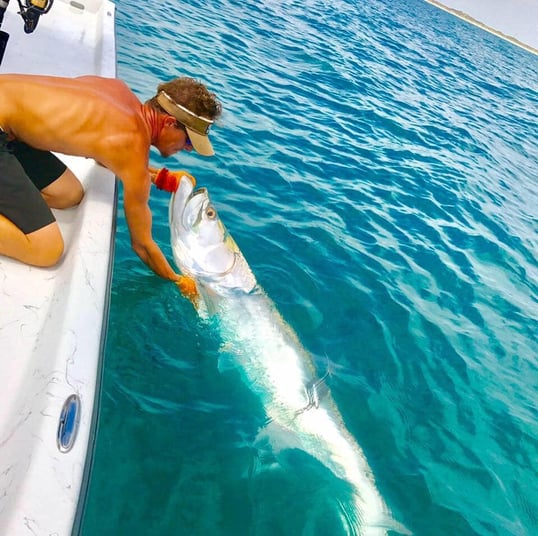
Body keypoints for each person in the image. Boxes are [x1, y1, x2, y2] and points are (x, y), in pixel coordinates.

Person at [0, 73, 222, 295]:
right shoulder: (133, 142)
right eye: (189, 141)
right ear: (170, 123)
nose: (189, 149)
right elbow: (142, 245)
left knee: (68, 194)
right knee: (47, 249)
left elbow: (106, 151)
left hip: (9, 130)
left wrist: (157, 176)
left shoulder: (119, 90)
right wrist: (178, 281)